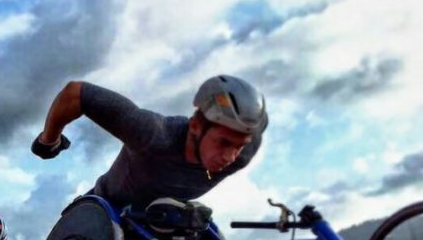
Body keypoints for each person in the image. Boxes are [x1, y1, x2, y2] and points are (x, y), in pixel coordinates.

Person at [30, 74, 268, 208]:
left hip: (167, 219)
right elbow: (75, 93)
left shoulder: (245, 153)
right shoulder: (153, 135)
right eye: (223, 143)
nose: (230, 157)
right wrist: (49, 141)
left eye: (240, 145)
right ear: (195, 126)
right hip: (105, 207)